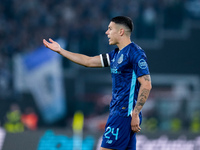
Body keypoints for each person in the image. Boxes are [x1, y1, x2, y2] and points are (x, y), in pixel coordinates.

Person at [43, 16, 152, 150]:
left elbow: (146, 84)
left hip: (123, 115)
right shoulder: (115, 55)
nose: (107, 32)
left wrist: (135, 113)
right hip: (120, 114)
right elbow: (88, 61)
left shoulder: (135, 53)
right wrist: (61, 51)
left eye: (110, 29)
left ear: (121, 31)